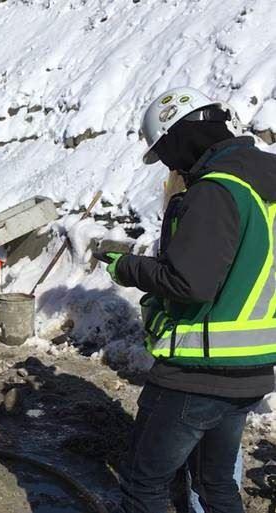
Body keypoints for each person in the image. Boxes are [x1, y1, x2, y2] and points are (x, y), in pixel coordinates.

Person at [102, 86, 276, 513]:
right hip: (250, 366)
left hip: (199, 370)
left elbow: (189, 282)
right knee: (216, 485)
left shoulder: (216, 190)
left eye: (164, 151)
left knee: (143, 485)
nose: (168, 164)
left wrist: (127, 267)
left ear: (181, 135)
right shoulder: (264, 180)